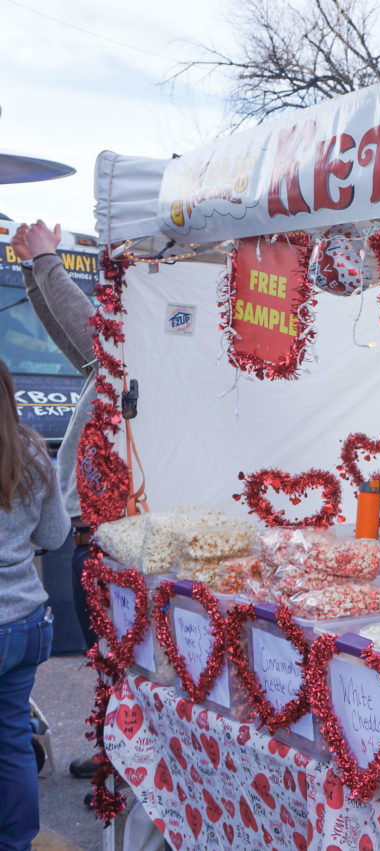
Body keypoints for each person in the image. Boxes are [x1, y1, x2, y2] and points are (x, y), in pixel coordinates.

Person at [11, 220, 100, 780]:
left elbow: (89, 333)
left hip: (104, 533)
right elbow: (73, 341)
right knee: (105, 656)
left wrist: (48, 261)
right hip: (89, 530)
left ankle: (121, 753)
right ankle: (118, 747)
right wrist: (32, 270)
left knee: (114, 655)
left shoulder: (127, 361)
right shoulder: (106, 371)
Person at [0, 357, 71, 849]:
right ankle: (17, 842)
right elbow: (54, 535)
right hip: (24, 619)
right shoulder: (29, 451)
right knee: (11, 744)